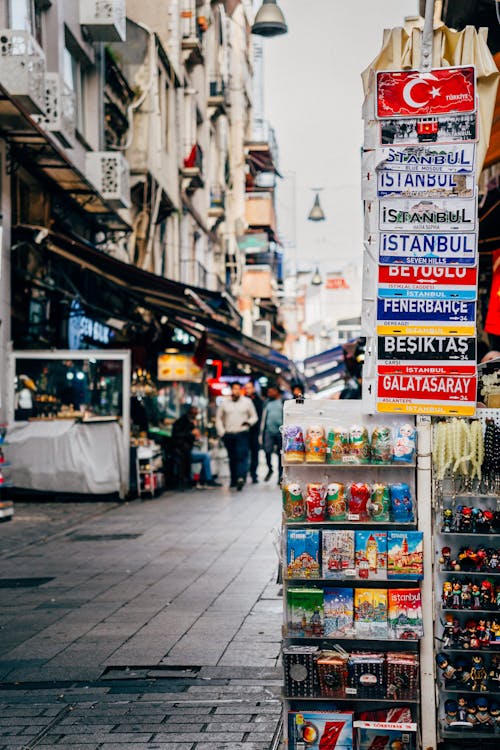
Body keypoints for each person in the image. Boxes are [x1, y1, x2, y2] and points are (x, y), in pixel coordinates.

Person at [216, 382, 258, 490]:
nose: (236, 391)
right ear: (231, 390)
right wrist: (222, 432)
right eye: (234, 389)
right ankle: (233, 480)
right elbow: (218, 418)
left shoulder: (247, 402)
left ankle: (241, 478)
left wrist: (248, 423)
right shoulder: (224, 403)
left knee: (242, 456)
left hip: (242, 433)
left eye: (238, 389)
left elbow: (254, 417)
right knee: (232, 457)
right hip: (229, 434)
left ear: (241, 390)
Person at [172, 405, 221, 489]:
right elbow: (179, 437)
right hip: (183, 451)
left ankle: (203, 480)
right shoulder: (182, 422)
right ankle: (207, 480)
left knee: (206, 456)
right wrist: (191, 434)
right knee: (206, 456)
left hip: (187, 450)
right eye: (194, 412)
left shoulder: (188, 422)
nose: (196, 414)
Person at [261, 383, 284, 484]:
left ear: (276, 391)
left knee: (281, 454)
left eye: (271, 391)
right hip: (268, 431)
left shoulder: (283, 402)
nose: (269, 393)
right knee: (267, 451)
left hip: (281, 432)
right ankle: (270, 468)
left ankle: (280, 476)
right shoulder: (267, 403)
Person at [243, 380, 264, 484]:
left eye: (249, 387)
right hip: (243, 431)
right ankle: (243, 474)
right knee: (244, 453)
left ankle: (253, 474)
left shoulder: (258, 400)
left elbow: (259, 417)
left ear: (253, 389)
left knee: (254, 454)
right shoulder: (242, 400)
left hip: (254, 431)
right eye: (246, 388)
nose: (247, 390)